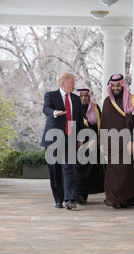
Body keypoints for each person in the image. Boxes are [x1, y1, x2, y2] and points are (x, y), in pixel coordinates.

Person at [100, 74, 134, 209]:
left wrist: (133, 140)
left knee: (130, 173)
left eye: (118, 85)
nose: (116, 88)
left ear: (123, 86)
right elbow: (104, 124)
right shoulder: (107, 102)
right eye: (113, 86)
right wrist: (102, 143)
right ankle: (114, 199)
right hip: (113, 144)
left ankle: (127, 199)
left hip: (130, 144)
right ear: (110, 87)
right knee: (114, 172)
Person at [40, 73, 84, 210]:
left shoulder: (76, 99)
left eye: (74, 82)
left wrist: (80, 137)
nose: (74, 85)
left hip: (70, 138)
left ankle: (70, 200)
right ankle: (58, 199)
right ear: (62, 84)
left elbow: (80, 119)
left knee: (69, 168)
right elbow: (45, 109)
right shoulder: (51, 95)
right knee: (55, 170)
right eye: (71, 82)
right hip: (54, 137)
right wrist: (54, 113)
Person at [74, 89, 105, 204]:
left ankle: (83, 195)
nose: (84, 98)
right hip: (78, 144)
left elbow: (101, 126)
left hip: (92, 143)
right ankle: (77, 195)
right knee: (78, 170)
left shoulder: (96, 108)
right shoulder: (73, 108)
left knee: (90, 171)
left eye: (86, 96)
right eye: (81, 96)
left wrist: (96, 140)